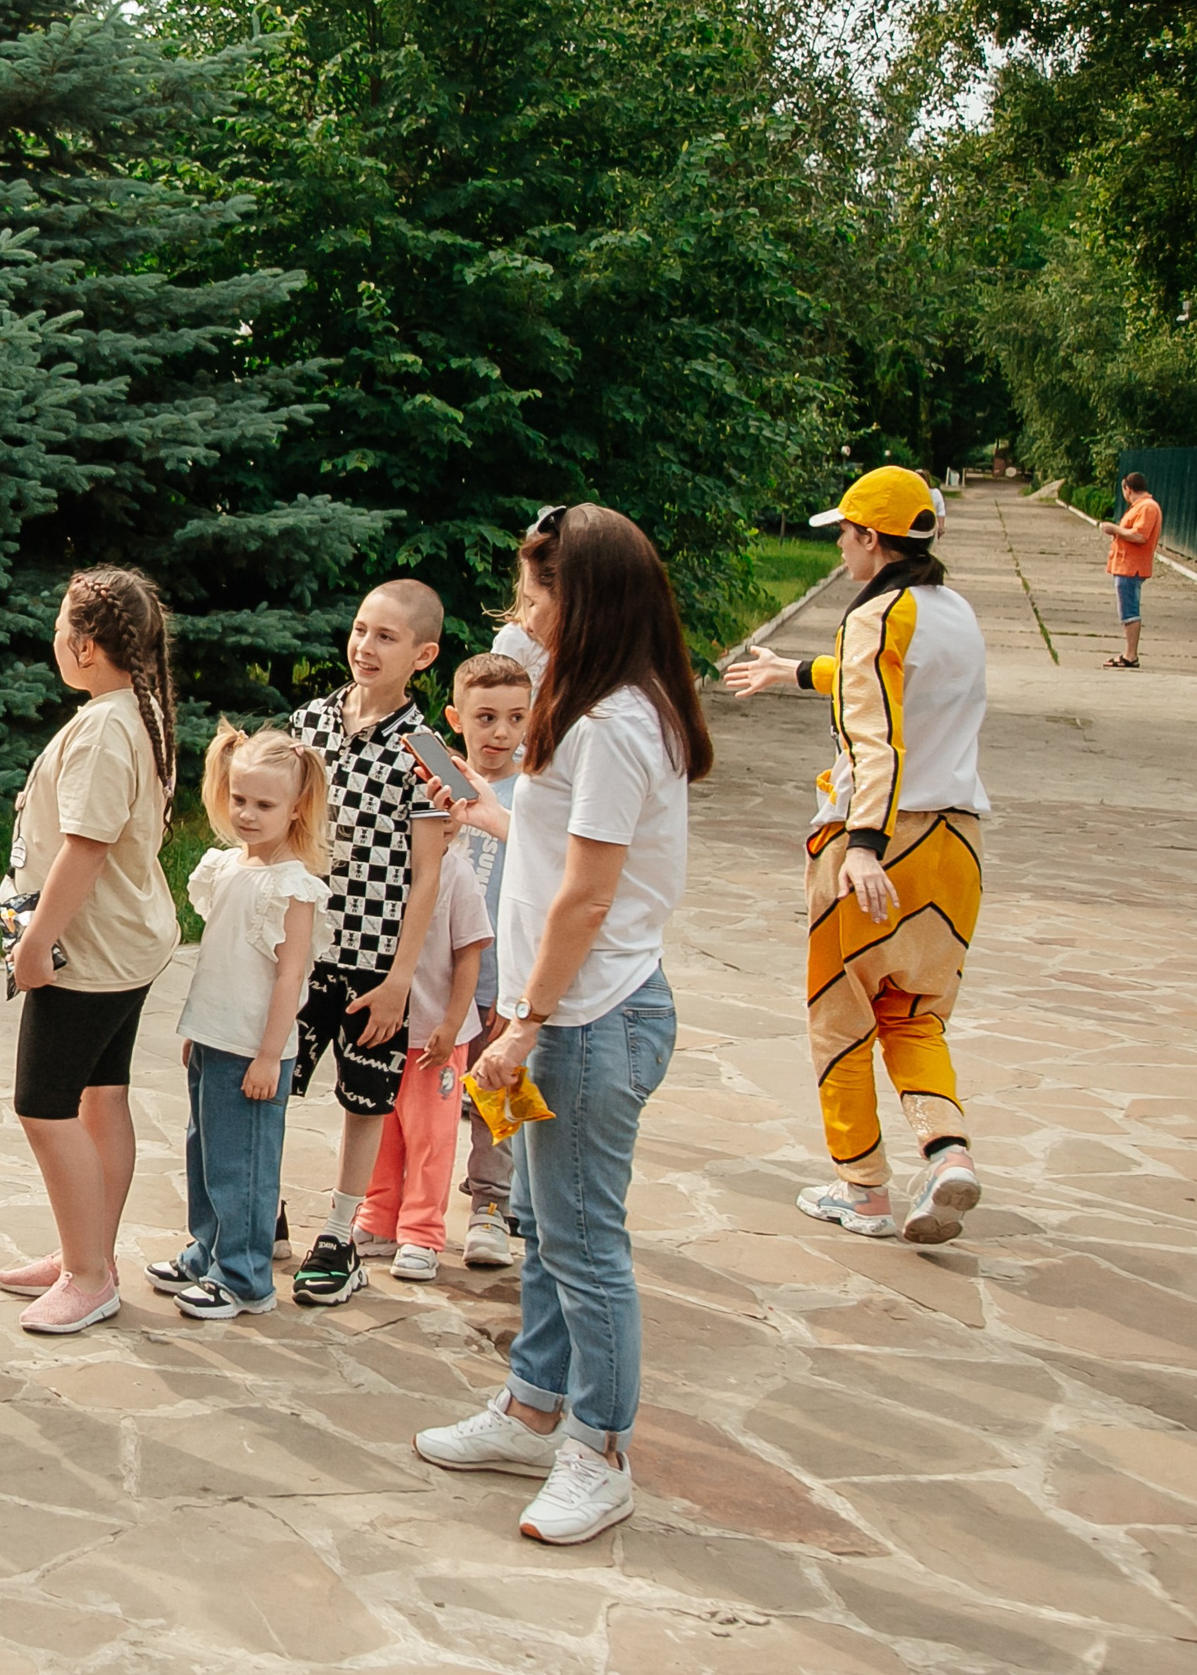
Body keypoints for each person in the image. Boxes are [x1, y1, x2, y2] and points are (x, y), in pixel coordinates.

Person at [414, 502, 707, 1546]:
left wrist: (523, 1021)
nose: (517, 606)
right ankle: (532, 1408)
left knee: (583, 1245)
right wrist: (485, 805)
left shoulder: (616, 723)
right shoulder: (586, 709)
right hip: (563, 1017)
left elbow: (587, 897)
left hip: (584, 1021)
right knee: (546, 1228)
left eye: (535, 588)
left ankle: (600, 1448)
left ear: (582, 599)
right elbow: (556, 850)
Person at [725, 465, 990, 1244]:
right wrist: (797, 670)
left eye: (845, 533)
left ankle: (864, 1189)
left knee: (840, 1017)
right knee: (913, 1016)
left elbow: (876, 735)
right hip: (957, 844)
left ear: (873, 539)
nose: (840, 548)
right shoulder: (956, 611)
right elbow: (890, 685)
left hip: (878, 839)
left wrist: (863, 847)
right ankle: (947, 1154)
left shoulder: (876, 614)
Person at [0, 568, 181, 1335]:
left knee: (44, 1106)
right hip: (124, 945)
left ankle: (89, 1275)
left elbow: (86, 848)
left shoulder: (106, 727)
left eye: (59, 625)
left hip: (88, 957)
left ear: (81, 643)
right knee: (103, 1098)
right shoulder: (129, 710)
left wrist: (37, 943)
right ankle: (86, 1248)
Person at [285, 580, 451, 1307]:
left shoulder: (430, 750)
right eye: (359, 629)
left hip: (374, 962)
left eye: (386, 637)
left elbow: (431, 872)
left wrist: (401, 977)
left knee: (364, 1101)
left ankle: (340, 1230)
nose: (365, 646)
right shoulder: (307, 722)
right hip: (301, 947)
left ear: (423, 655)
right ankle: (266, 1213)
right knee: (272, 1082)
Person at [148, 723, 327, 1319]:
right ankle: (208, 1250)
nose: (248, 814)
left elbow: (288, 977)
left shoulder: (293, 887)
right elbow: (217, 961)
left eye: (265, 804)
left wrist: (270, 1055)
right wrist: (196, 1031)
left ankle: (246, 1275)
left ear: (297, 808)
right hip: (214, 1039)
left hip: (256, 1048)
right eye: (241, 800)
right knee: (205, 1152)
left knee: (242, 1164)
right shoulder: (225, 867)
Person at [354, 833, 490, 1283]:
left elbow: (469, 954)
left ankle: (422, 1232)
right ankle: (379, 1218)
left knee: (431, 1135)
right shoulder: (384, 863)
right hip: (385, 1030)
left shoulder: (457, 874)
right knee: (381, 1127)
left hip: (435, 1037)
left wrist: (451, 1026)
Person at [443, 652, 532, 1269]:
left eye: (516, 718)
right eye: (486, 717)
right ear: (456, 718)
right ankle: (401, 1199)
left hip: (503, 979)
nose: (501, 733)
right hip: (443, 979)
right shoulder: (438, 783)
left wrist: (521, 992)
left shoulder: (535, 793)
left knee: (496, 1095)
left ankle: (493, 1206)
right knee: (425, 1096)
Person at [1098, 471, 1162, 669]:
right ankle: (1129, 653)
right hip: (1126, 565)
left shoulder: (1147, 508)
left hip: (1131, 567)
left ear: (1128, 489)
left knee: (1129, 610)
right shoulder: (1141, 507)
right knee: (1126, 609)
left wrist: (1114, 529)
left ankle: (1130, 655)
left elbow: (1140, 536)